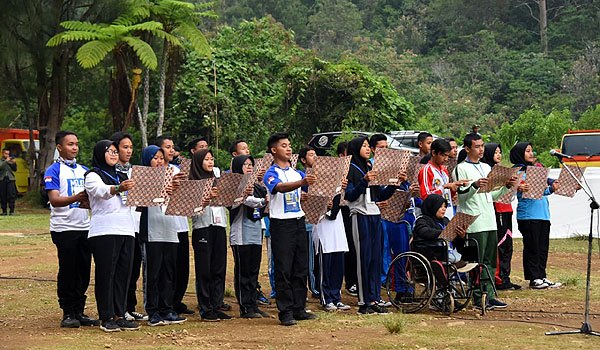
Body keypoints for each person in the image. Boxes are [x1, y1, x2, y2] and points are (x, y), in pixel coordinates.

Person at [453, 133, 518, 310]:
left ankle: (488, 294)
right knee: (477, 261)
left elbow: (490, 195)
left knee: (490, 260)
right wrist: (474, 186)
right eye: (477, 146)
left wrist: (506, 186)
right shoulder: (461, 168)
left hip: (490, 220)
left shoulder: (485, 166)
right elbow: (462, 196)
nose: (481, 149)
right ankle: (477, 296)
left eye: (482, 146)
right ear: (467, 149)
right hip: (474, 222)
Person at [44, 130, 98, 328]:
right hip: (64, 229)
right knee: (68, 270)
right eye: (70, 144)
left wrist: (89, 203)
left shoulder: (84, 170)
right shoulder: (53, 170)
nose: (74, 147)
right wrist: (77, 198)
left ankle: (79, 311)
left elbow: (92, 200)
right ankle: (67, 312)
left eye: (76, 143)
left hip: (85, 227)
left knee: (83, 270)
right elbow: (55, 200)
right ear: (59, 147)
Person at [84, 140, 139, 332]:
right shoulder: (93, 175)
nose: (114, 154)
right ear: (100, 153)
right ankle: (106, 316)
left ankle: (120, 314)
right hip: (104, 230)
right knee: (106, 274)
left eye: (116, 151)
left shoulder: (123, 174)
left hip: (127, 229)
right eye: (110, 151)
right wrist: (118, 188)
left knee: (123, 275)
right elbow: (99, 191)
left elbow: (135, 200)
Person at [262, 132, 317, 326]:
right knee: (284, 268)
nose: (289, 148)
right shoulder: (271, 173)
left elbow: (311, 188)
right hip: (281, 224)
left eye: (289, 145)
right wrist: (302, 184)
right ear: (274, 150)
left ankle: (299, 308)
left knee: (300, 267)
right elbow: (279, 188)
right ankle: (285, 311)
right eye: (284, 145)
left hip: (298, 221)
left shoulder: (298, 172)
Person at [344, 136, 399, 315]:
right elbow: (350, 195)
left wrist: (394, 184)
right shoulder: (350, 169)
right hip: (359, 215)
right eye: (364, 146)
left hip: (375, 215)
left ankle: (375, 298)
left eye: (368, 146)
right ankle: (363, 302)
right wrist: (364, 181)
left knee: (375, 259)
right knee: (363, 259)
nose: (368, 149)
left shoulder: (370, 167)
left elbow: (380, 196)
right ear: (355, 148)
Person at [138, 145, 186, 326]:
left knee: (169, 271)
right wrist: (165, 187)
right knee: (153, 272)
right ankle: (153, 311)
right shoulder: (141, 177)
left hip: (170, 229)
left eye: (161, 158)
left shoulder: (172, 176)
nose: (159, 161)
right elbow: (140, 201)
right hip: (152, 231)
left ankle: (167, 308)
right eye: (155, 158)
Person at [510, 142, 562, 290]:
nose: (531, 154)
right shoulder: (517, 172)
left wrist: (556, 187)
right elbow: (518, 192)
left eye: (532, 150)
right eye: (527, 151)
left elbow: (545, 187)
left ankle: (542, 275)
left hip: (543, 215)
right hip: (528, 216)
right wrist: (549, 189)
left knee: (542, 247)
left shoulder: (537, 170)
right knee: (532, 247)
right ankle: (534, 278)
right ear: (520, 153)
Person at [189, 149, 231, 321]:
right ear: (199, 162)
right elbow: (190, 208)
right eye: (206, 159)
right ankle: (206, 308)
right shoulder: (192, 182)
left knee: (219, 267)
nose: (210, 162)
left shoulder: (217, 180)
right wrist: (205, 198)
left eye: (212, 159)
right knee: (204, 269)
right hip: (202, 227)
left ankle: (216, 303)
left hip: (219, 225)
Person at [110, 132, 147, 322]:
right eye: (125, 147)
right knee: (121, 270)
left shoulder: (134, 171)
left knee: (133, 269)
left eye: (131, 147)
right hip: (119, 227)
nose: (129, 151)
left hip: (136, 225)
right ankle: (119, 308)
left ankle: (130, 307)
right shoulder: (111, 173)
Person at [157, 135, 195, 316]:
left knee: (182, 266)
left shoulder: (177, 169)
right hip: (162, 224)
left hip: (180, 224)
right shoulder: (153, 170)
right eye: (167, 147)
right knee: (167, 266)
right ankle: (164, 303)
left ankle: (176, 300)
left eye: (173, 147)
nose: (171, 150)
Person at [229, 155, 269, 318]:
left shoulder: (257, 187)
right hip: (240, 233)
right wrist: (260, 201)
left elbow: (265, 201)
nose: (249, 167)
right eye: (245, 164)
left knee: (254, 270)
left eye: (251, 164)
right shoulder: (234, 186)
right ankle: (245, 306)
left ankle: (253, 304)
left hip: (255, 231)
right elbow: (237, 203)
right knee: (243, 271)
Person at [481, 143, 521, 291]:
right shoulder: (486, 170)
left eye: (500, 152)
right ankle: (498, 278)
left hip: (507, 209)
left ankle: (505, 277)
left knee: (508, 245)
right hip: (497, 209)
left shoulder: (503, 170)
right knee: (500, 245)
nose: (498, 155)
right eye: (495, 152)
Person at [413, 194, 466, 288]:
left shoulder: (446, 220)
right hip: (433, 254)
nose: (444, 209)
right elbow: (424, 232)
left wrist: (461, 236)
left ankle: (451, 294)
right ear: (432, 206)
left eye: (445, 206)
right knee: (441, 265)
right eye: (440, 206)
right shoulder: (422, 220)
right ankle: (443, 294)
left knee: (467, 255)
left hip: (449, 253)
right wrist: (444, 233)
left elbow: (456, 241)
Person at [312, 189, 351, 312]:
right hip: (322, 228)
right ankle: (326, 299)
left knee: (337, 266)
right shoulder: (315, 186)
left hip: (337, 229)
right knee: (325, 266)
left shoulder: (338, 187)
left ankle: (336, 297)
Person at [368, 134, 393, 307]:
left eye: (386, 147)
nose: (385, 150)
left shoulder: (391, 166)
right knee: (379, 247)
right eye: (381, 148)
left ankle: (385, 278)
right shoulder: (369, 166)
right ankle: (380, 280)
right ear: (373, 149)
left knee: (387, 245)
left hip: (389, 210)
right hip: (373, 212)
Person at [418, 138, 470, 217]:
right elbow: (426, 196)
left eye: (447, 156)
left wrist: (455, 186)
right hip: (434, 216)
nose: (446, 159)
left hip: (448, 212)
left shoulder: (444, 171)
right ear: (434, 153)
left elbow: (448, 194)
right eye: (443, 155)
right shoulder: (426, 170)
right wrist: (445, 186)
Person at [337, 141, 359, 297]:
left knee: (355, 245)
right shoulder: (336, 170)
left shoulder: (358, 169)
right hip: (341, 210)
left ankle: (356, 280)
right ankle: (349, 281)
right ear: (341, 155)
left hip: (354, 209)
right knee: (347, 246)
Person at [298, 146, 320, 299]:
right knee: (308, 258)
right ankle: (313, 288)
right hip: (306, 221)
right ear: (303, 160)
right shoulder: (300, 176)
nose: (315, 157)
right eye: (311, 155)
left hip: (318, 221)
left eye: (316, 154)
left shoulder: (321, 175)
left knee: (316, 256)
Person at [0, 148, 17, 215]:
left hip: (10, 179)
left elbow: (15, 169)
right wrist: (5, 162)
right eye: (6, 154)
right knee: (3, 195)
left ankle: (12, 211)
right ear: (3, 153)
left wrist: (14, 163)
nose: (7, 155)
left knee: (11, 195)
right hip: (2, 179)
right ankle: (4, 211)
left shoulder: (10, 161)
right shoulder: (1, 161)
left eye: (8, 154)